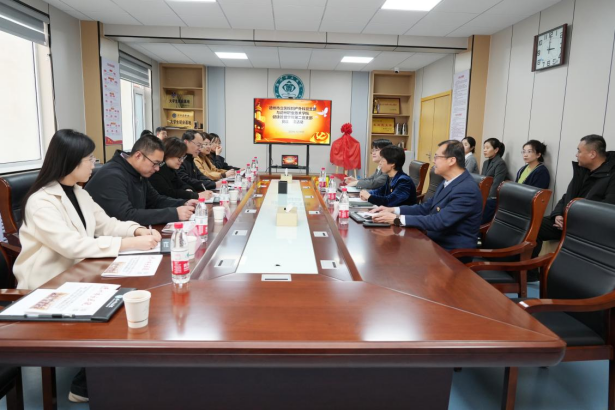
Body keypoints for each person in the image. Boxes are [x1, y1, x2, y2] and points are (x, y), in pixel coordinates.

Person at [14, 129, 160, 290]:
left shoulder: (79, 193)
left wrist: (137, 230)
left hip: (80, 275)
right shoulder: (41, 202)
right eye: (89, 159)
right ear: (71, 160)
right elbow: (72, 245)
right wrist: (127, 243)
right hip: (47, 286)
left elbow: (107, 225)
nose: (93, 164)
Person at [373, 140, 483, 251]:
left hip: (450, 251)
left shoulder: (467, 190)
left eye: (436, 157)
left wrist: (397, 219)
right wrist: (393, 210)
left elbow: (439, 221)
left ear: (451, 160)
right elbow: (425, 208)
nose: (433, 161)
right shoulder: (447, 182)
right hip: (433, 241)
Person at [533, 135, 615, 259]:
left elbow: (605, 212)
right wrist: (558, 214)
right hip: (567, 222)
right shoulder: (582, 170)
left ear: (592, 154)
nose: (576, 155)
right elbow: (567, 196)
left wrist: (570, 221)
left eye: (579, 151)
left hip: (587, 228)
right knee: (532, 224)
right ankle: (527, 270)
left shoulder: (611, 176)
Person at [86, 135, 197, 226]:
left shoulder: (137, 171)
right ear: (138, 155)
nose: (157, 169)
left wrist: (183, 202)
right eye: (155, 163)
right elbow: (126, 216)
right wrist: (174, 213)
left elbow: (155, 200)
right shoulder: (112, 175)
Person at [149, 137, 214, 201]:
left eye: (183, 157)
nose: (182, 161)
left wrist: (187, 189)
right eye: (179, 157)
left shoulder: (170, 169)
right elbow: (168, 193)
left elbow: (182, 184)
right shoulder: (156, 171)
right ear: (168, 154)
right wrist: (195, 195)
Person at [481, 138, 509, 224]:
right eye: (484, 147)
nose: (484, 150)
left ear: (496, 150)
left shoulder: (500, 163)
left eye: (487, 148)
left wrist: (485, 198)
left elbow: (496, 184)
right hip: (483, 195)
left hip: (491, 198)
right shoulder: (485, 162)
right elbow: (482, 180)